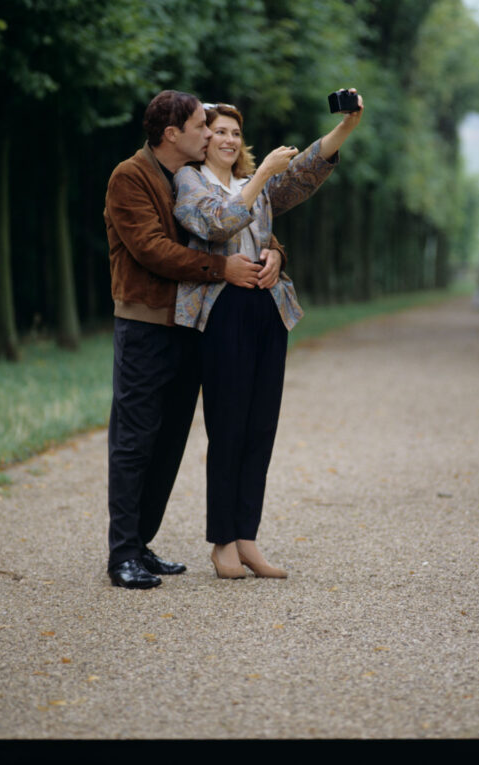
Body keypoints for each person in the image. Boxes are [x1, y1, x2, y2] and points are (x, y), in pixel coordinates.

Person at [172, 94, 363, 579]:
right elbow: (215, 224)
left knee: (260, 427)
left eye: (236, 133)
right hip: (222, 310)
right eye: (219, 131)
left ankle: (247, 538)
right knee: (228, 426)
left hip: (267, 308)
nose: (229, 140)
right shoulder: (190, 181)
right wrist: (259, 177)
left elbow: (303, 173)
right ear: (203, 137)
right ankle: (222, 542)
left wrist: (347, 125)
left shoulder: (249, 183)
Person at [102, 90, 284, 589]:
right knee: (134, 441)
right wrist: (221, 269)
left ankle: (141, 542)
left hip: (190, 325)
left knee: (169, 441)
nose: (209, 133)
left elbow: (237, 228)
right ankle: (122, 554)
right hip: (145, 324)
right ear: (171, 134)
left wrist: (275, 253)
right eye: (202, 127)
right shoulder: (130, 177)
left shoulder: (186, 176)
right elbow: (152, 249)